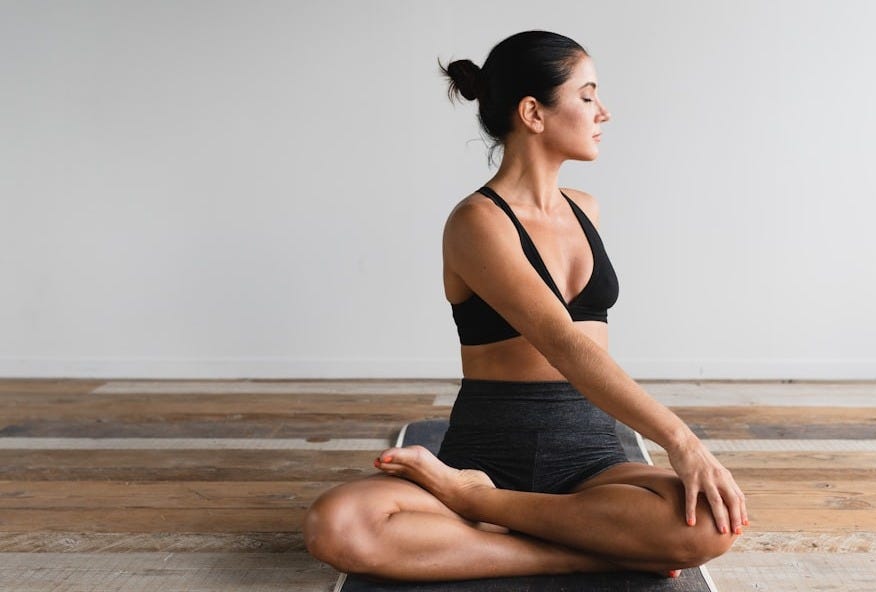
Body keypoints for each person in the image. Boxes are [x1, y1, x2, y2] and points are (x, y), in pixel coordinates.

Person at [303, 30, 746, 581]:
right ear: (533, 112)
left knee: (711, 522)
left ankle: (484, 509)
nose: (603, 112)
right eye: (587, 96)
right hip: (484, 454)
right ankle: (571, 540)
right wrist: (681, 440)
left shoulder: (587, 209)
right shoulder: (476, 222)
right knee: (338, 525)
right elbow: (562, 343)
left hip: (590, 458)